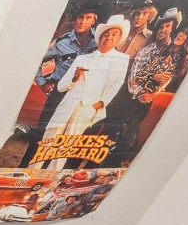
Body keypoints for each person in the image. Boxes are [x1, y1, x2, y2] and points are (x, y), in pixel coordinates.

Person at [30, 16, 130, 168]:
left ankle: (48, 179)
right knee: (47, 140)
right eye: (106, 34)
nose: (108, 37)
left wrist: (99, 104)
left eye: (114, 34)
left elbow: (116, 85)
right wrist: (75, 78)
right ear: (100, 37)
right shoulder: (83, 58)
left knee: (66, 146)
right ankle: (31, 174)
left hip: (87, 109)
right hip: (68, 104)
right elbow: (61, 87)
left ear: (119, 39)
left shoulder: (122, 59)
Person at [103, 11, 185, 157]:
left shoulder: (174, 52)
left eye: (167, 26)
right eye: (160, 27)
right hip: (132, 96)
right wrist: (142, 92)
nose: (163, 30)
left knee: (133, 131)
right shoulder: (146, 51)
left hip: (150, 99)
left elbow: (166, 79)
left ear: (172, 29)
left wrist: (152, 93)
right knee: (117, 128)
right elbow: (133, 79)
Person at [27, 8, 98, 136]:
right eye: (80, 17)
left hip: (81, 95)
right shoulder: (62, 42)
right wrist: (42, 82)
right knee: (43, 132)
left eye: (88, 18)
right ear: (75, 20)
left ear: (94, 21)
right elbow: (36, 61)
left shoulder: (98, 42)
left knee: (70, 135)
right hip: (59, 92)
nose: (82, 21)